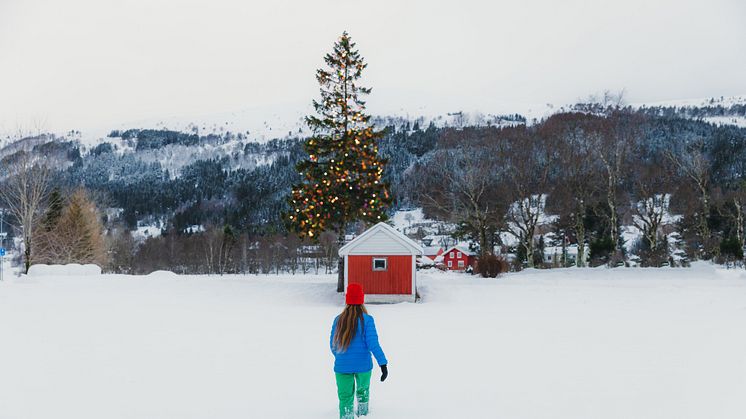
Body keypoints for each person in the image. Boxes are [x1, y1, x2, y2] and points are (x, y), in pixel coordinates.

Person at [330, 283, 388, 419]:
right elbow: (373, 344)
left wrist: (342, 356)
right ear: (362, 300)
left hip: (342, 366)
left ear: (347, 299)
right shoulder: (367, 320)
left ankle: (346, 417)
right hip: (363, 366)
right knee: (362, 394)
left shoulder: (338, 320)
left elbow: (333, 345)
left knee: (345, 399)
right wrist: (383, 364)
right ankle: (363, 415)